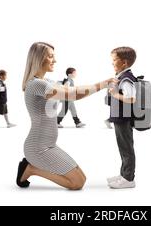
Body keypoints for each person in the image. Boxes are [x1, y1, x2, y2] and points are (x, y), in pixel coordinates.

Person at [16, 42, 117, 190]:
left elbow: (73, 89)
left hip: (49, 145)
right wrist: (102, 84)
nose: (54, 60)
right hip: (37, 147)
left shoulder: (47, 82)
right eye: (50, 56)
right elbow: (72, 95)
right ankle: (31, 169)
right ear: (38, 59)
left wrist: (103, 84)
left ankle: (31, 167)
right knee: (77, 184)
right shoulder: (36, 84)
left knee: (81, 178)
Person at [106, 46, 138, 189]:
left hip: (124, 119)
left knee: (126, 149)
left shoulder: (126, 78)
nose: (112, 63)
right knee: (123, 147)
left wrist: (115, 94)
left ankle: (128, 179)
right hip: (120, 118)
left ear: (124, 63)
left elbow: (131, 98)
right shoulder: (122, 77)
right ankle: (124, 174)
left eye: (114, 60)